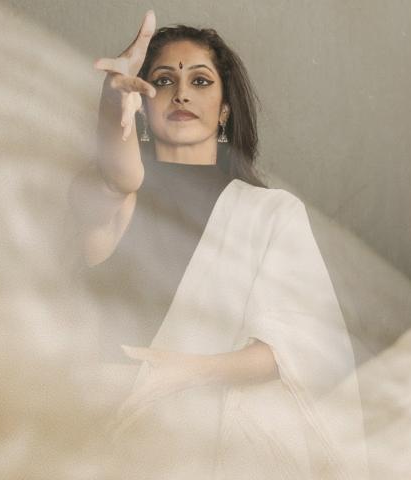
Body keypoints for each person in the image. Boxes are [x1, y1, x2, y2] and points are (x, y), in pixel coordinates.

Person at [69, 10, 369, 480]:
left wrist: (189, 371)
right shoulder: (106, 194)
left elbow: (305, 344)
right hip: (97, 436)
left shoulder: (271, 213)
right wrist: (111, 104)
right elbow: (119, 177)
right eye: (163, 80)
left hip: (204, 449)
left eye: (201, 81)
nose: (182, 92)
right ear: (143, 104)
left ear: (225, 110)